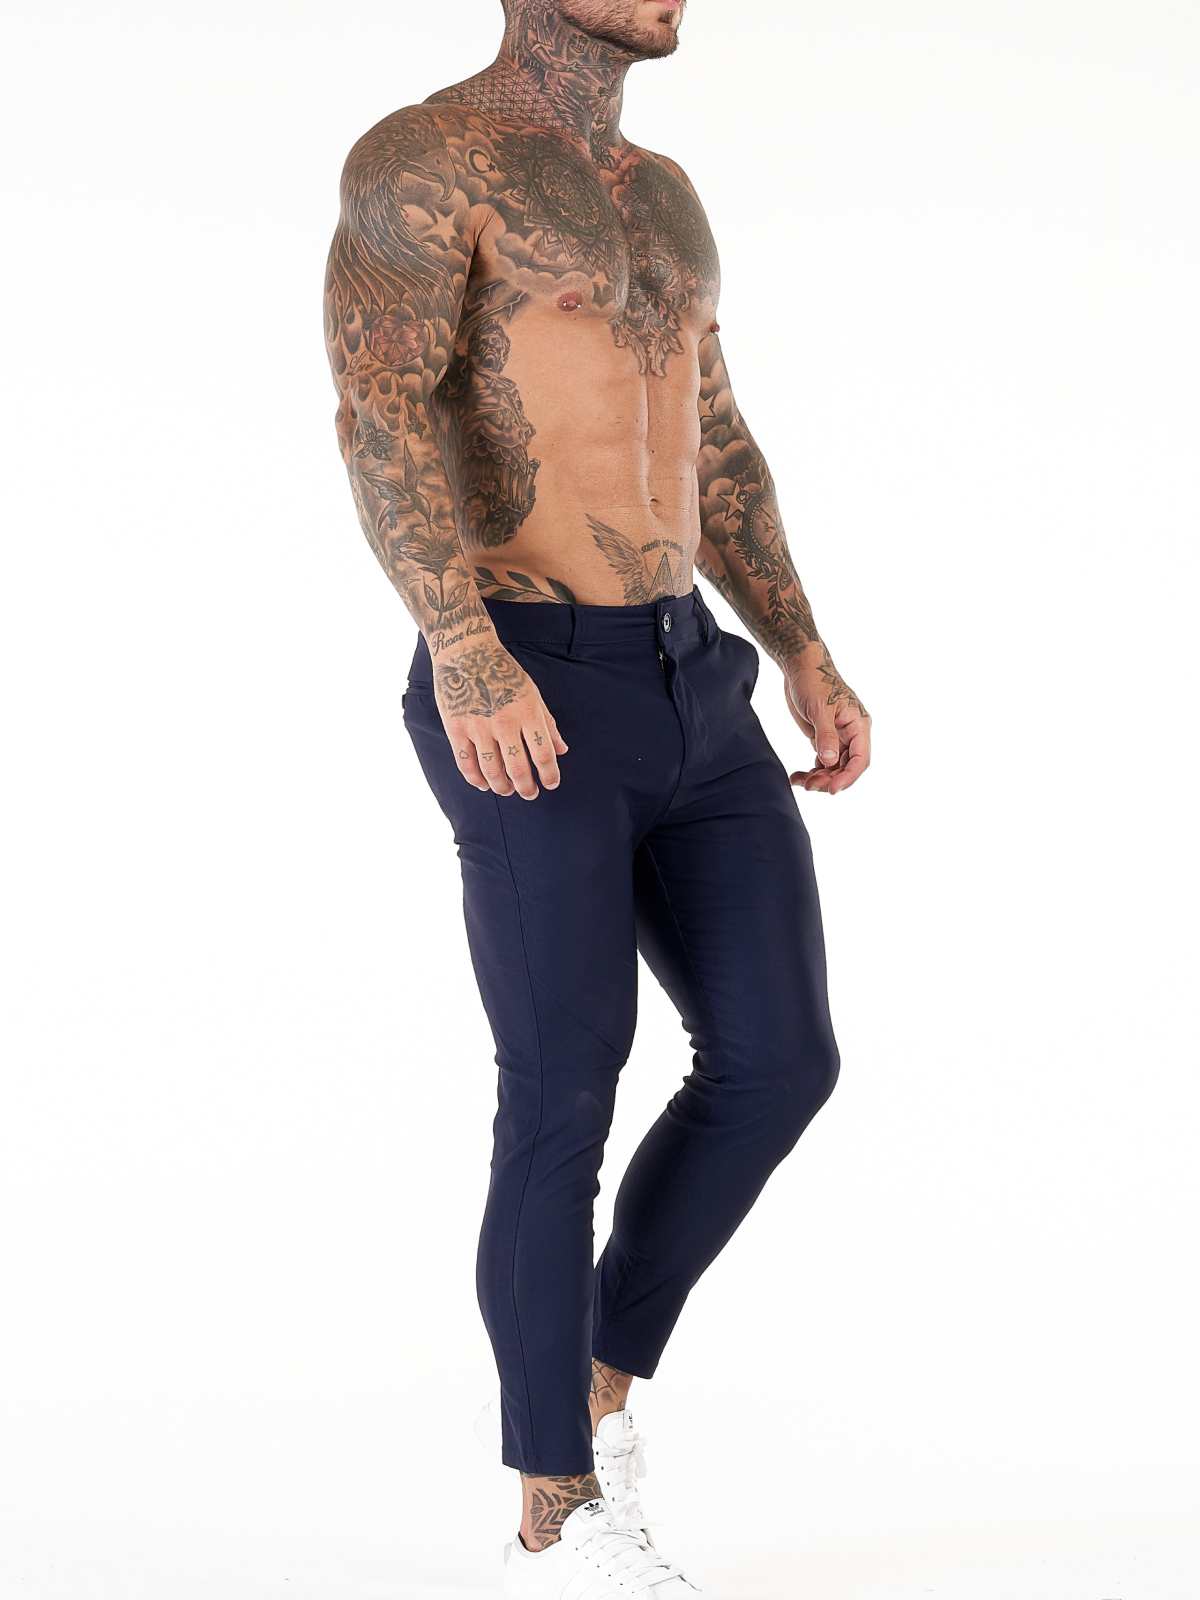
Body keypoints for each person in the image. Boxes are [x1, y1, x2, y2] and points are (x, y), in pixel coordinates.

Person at [324, 1, 871, 1593]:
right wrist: (461, 651)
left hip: (694, 676)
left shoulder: (663, 191)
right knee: (565, 1088)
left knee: (780, 1059)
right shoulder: (423, 160)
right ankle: (551, 1513)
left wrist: (802, 646)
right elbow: (380, 408)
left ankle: (595, 1381)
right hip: (526, 673)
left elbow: (715, 432)